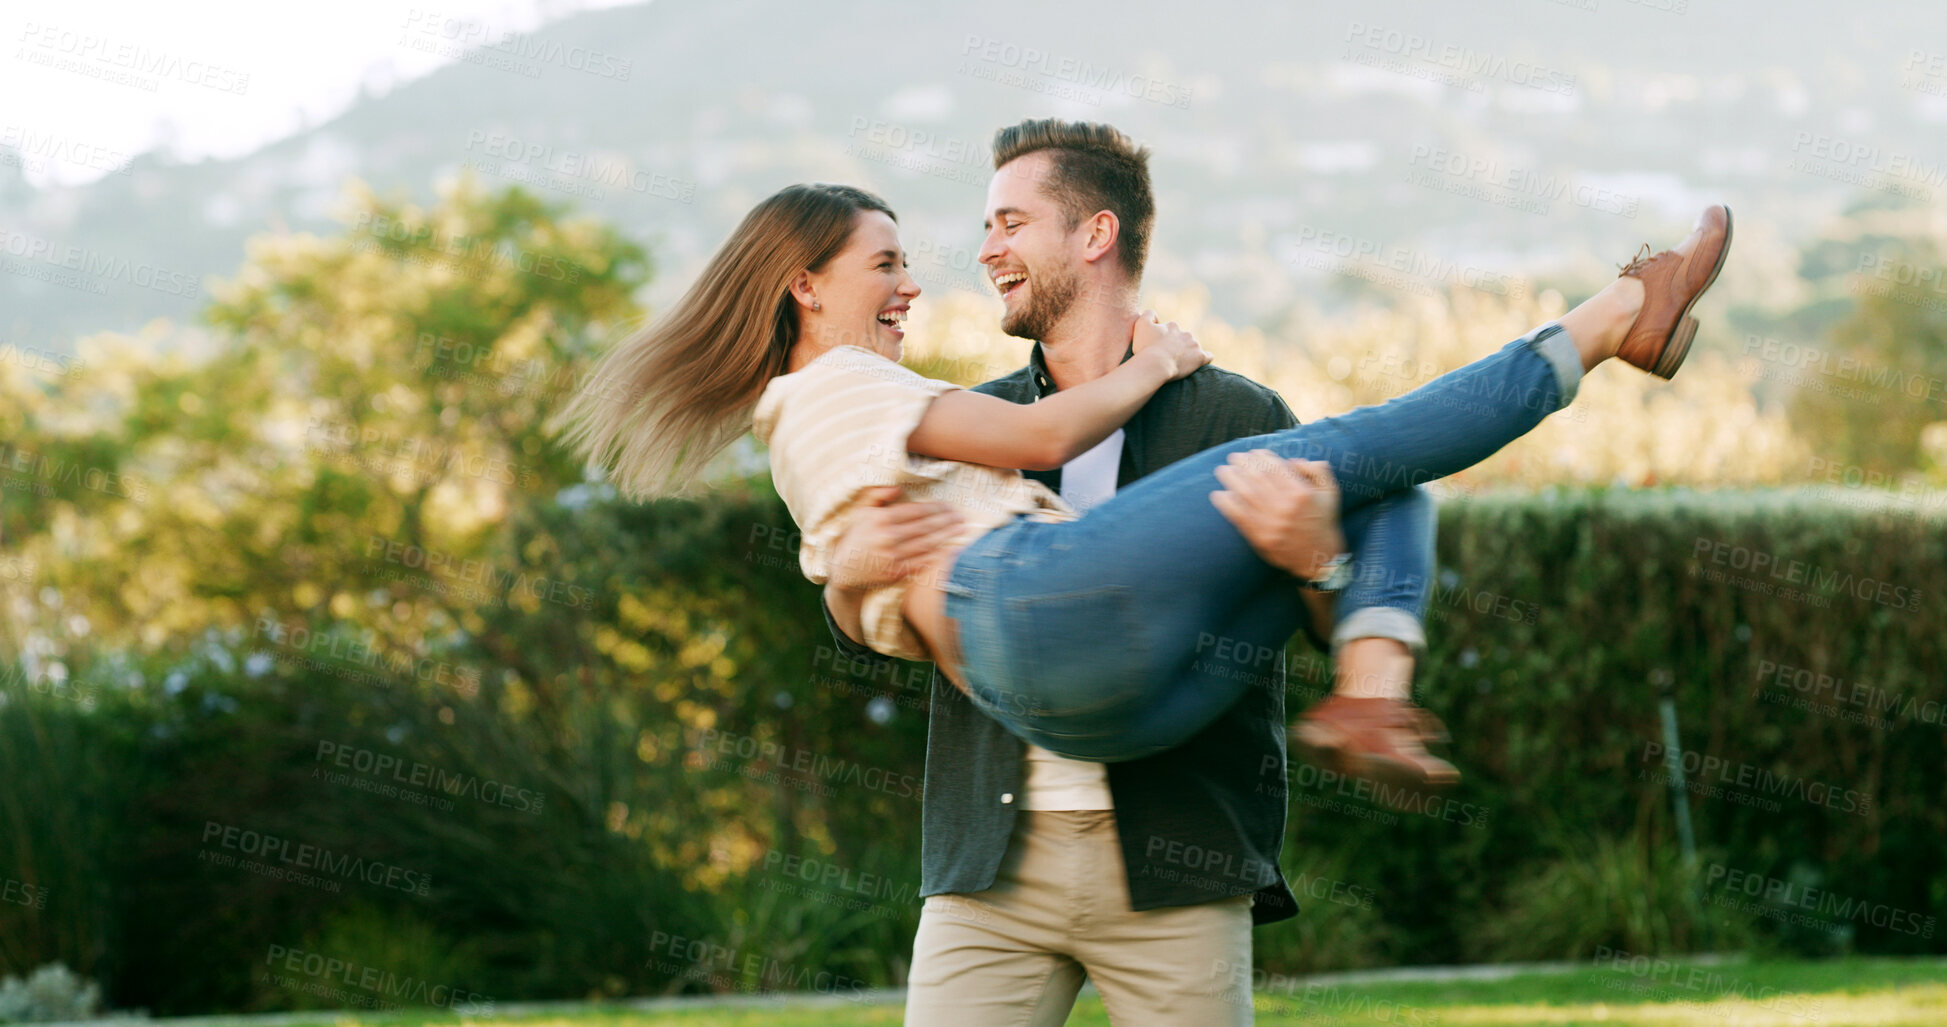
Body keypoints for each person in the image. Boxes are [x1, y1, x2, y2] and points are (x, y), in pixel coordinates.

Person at [553, 123, 1730, 1024]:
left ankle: (1377, 684)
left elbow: (1319, 583)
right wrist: (862, 589)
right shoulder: (954, 409)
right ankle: (1617, 315)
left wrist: (1308, 555)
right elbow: (956, 502)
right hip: (993, 854)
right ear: (806, 286)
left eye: (1009, 222)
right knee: (1380, 453)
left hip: (1170, 835)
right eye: (912, 253)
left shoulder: (1231, 414)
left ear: (1094, 235)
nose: (976, 255)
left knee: (1376, 477)